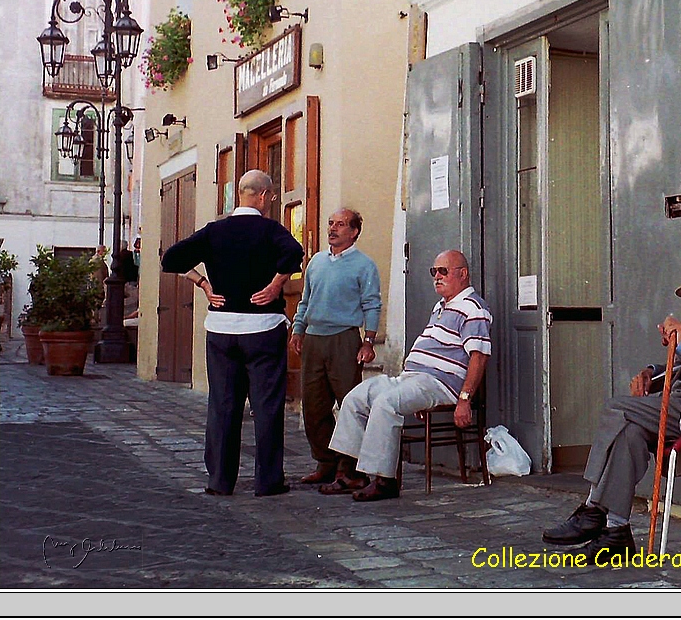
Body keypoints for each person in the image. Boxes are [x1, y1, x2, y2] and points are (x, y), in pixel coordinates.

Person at [541, 267, 681, 557]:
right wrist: (653, 372)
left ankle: (593, 508)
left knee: (615, 407)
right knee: (630, 433)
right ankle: (616, 531)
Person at [160, 169, 304, 498]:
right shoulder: (271, 231)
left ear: (240, 193)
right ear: (265, 195)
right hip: (263, 329)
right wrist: (275, 284)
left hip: (222, 330)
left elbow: (172, 258)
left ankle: (220, 481)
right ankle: (268, 482)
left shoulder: (215, 231)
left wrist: (205, 284)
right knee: (267, 406)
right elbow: (294, 254)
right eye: (270, 196)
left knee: (223, 405)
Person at [324, 249, 491, 502]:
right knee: (355, 398)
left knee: (386, 403)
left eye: (443, 271)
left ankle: (384, 481)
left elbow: (479, 356)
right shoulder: (440, 307)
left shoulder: (473, 308)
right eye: (433, 271)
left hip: (439, 383)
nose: (437, 277)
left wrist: (465, 399)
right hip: (412, 379)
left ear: (463, 274)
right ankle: (350, 473)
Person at [290, 208, 382, 489]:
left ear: (354, 232)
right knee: (314, 407)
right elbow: (306, 299)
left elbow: (372, 303)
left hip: (344, 340)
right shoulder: (316, 262)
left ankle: (350, 469)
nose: (333, 229)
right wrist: (298, 328)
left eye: (340, 225)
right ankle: (325, 463)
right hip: (314, 340)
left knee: (350, 405)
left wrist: (368, 341)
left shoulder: (364, 265)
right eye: (331, 223)